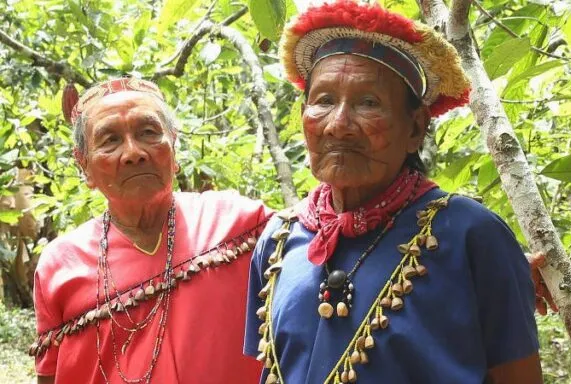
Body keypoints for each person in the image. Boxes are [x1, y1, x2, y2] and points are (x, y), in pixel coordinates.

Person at [242, 1, 541, 384]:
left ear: (415, 128)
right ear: (303, 116)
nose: (338, 124)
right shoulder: (278, 241)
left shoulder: (471, 234)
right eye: (324, 101)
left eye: (368, 103)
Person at [31, 78, 270, 383]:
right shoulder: (60, 264)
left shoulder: (239, 222)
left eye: (148, 132)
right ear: (84, 166)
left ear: (174, 145)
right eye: (110, 140)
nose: (133, 153)